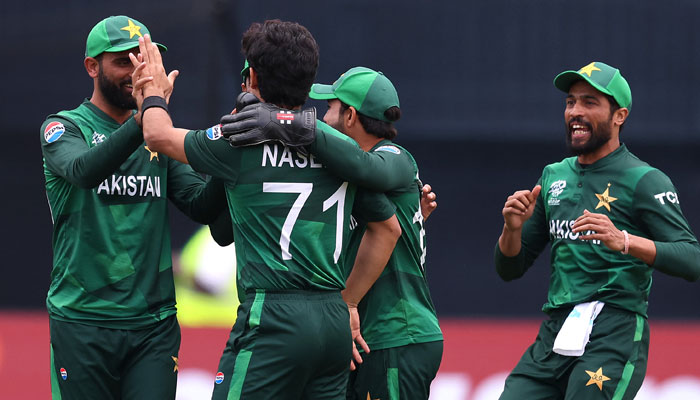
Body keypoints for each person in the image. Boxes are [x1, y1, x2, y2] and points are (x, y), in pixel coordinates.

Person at [130, 21, 401, 399]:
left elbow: (157, 135)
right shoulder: (338, 145)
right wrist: (349, 302)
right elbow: (388, 229)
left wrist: (154, 95)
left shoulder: (241, 139)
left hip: (273, 315)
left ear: (252, 76)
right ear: (309, 82)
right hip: (331, 319)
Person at [40, 15, 228, 399]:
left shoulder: (156, 135)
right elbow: (83, 171)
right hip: (83, 318)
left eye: (144, 60)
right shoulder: (63, 127)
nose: (136, 72)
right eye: (123, 62)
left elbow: (201, 206)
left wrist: (232, 160)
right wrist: (146, 118)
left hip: (153, 325)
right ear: (92, 67)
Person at [494, 61, 700, 399]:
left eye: (590, 103)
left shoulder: (645, 180)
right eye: (571, 102)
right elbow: (509, 269)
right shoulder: (553, 176)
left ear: (619, 116)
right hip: (555, 332)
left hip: (613, 332)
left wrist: (624, 240)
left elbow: (692, 259)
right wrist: (511, 229)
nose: (575, 111)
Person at [310, 66, 443, 400]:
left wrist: (298, 128)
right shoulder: (354, 175)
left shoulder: (394, 156)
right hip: (372, 336)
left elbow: (370, 170)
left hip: (397, 333)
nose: (324, 117)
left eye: (330, 108)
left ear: (351, 116)